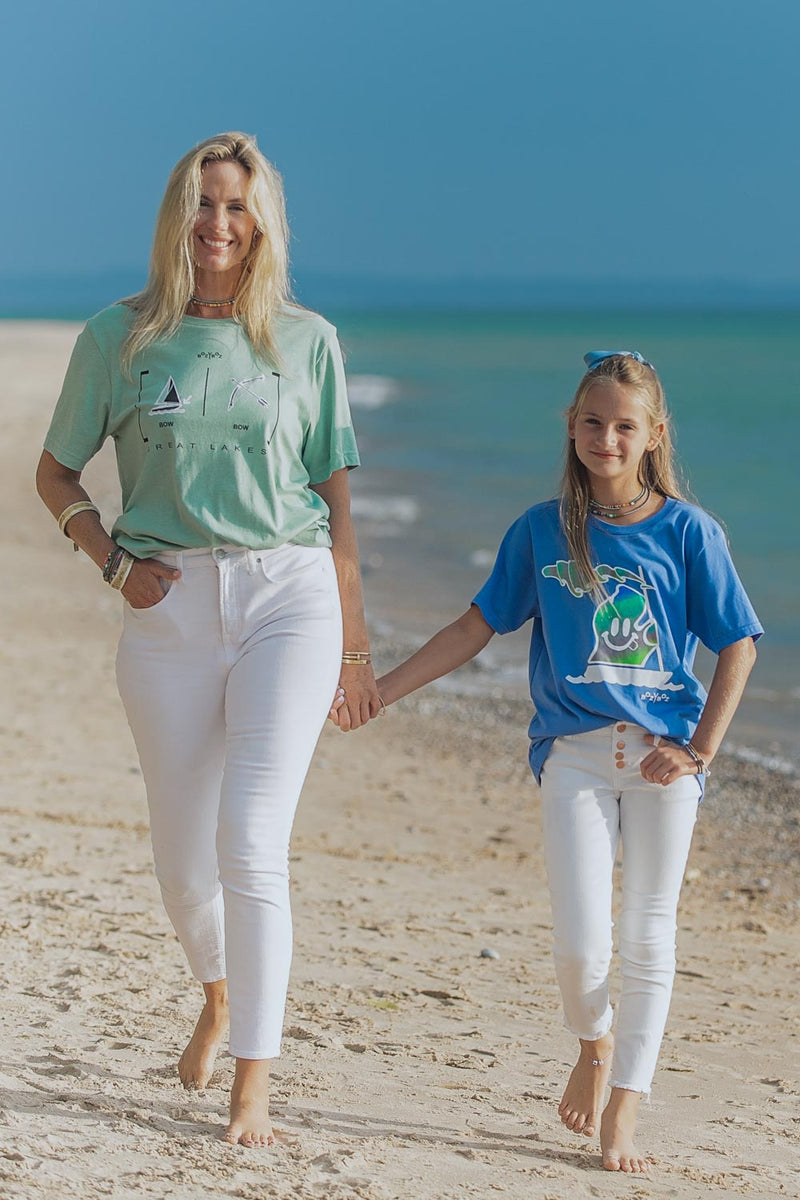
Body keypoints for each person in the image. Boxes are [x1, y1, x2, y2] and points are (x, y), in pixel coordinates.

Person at [334, 350, 762, 1172]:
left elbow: (737, 645)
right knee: (579, 946)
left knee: (647, 933)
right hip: (572, 755)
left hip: (663, 761)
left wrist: (701, 749)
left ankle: (626, 1110)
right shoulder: (540, 530)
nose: (607, 437)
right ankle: (592, 1044)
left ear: (652, 436)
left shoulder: (689, 532)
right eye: (593, 422)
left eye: (624, 426)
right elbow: (475, 627)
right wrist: (384, 689)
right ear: (572, 428)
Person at [36, 132, 381, 1148]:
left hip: (288, 594)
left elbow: (334, 502)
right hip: (167, 608)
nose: (219, 225)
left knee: (250, 842)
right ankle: (219, 990)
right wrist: (108, 561)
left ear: (261, 220)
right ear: (176, 216)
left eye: (237, 206)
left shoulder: (306, 341)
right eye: (203, 205)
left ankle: (253, 1083)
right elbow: (56, 474)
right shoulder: (120, 338)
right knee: (184, 866)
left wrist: (353, 647)